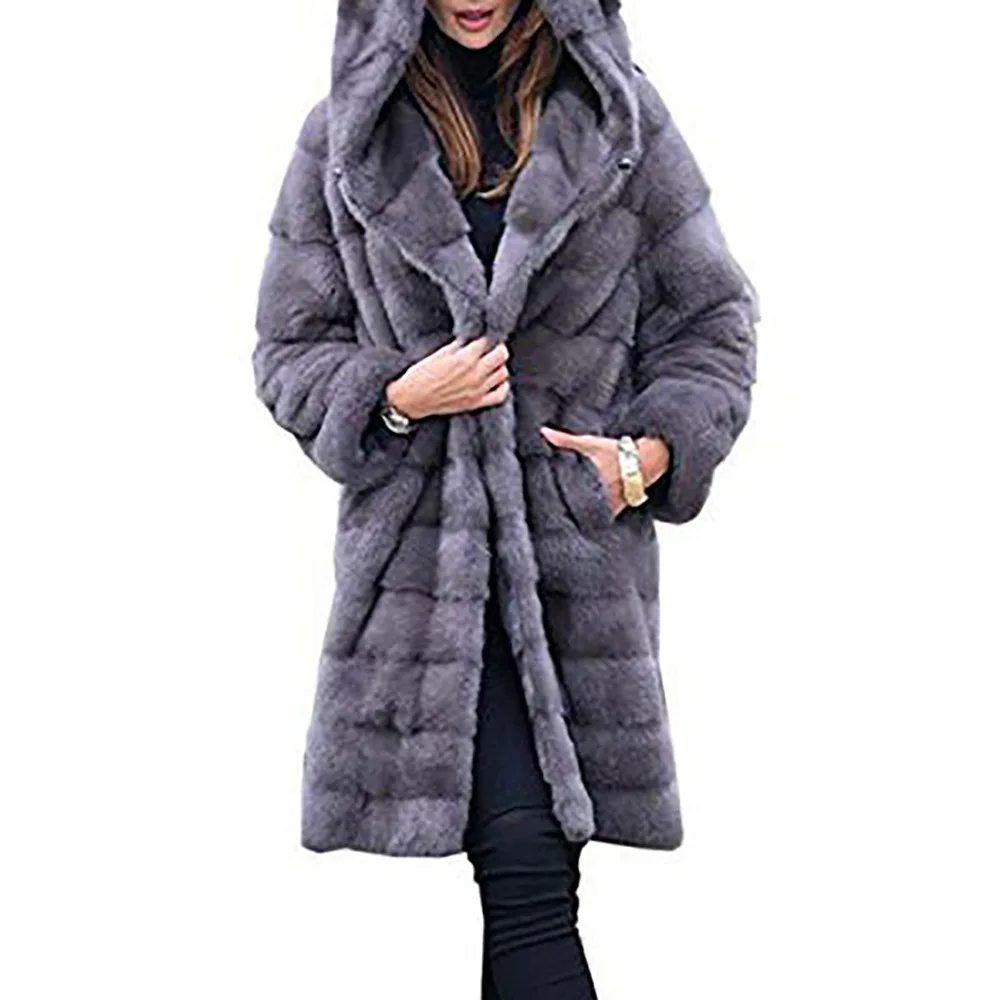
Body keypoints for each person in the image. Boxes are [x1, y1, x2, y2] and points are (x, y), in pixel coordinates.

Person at [252, 2, 759, 997]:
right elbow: (288, 346)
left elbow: (712, 322)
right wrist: (397, 394)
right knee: (527, 869)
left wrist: (647, 457)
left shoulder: (616, 120)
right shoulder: (349, 136)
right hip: (420, 575)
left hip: (571, 570)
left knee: (530, 871)